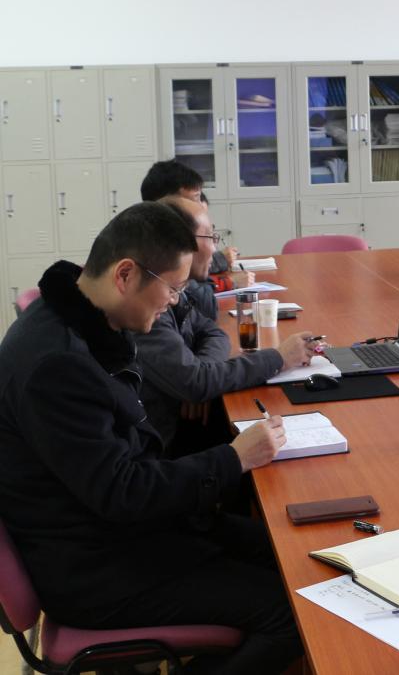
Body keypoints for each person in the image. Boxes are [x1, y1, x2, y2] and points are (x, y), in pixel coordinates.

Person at [0, 202, 303, 673]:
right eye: (173, 289)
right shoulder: (56, 365)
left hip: (124, 534)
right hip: (94, 571)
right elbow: (122, 493)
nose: (177, 302)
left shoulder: (85, 322)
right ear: (125, 275)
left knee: (290, 553)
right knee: (289, 614)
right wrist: (233, 459)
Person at [137, 196, 318, 449]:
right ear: (180, 243)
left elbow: (213, 333)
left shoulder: (174, 291)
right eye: (210, 237)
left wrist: (202, 377)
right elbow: (195, 381)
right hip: (166, 442)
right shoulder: (149, 306)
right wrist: (279, 358)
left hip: (180, 421)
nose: (216, 249)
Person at [141, 159, 249, 318]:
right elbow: (206, 307)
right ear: (171, 203)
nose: (202, 205)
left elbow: (201, 323)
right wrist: (228, 280)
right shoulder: (162, 259)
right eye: (196, 197)